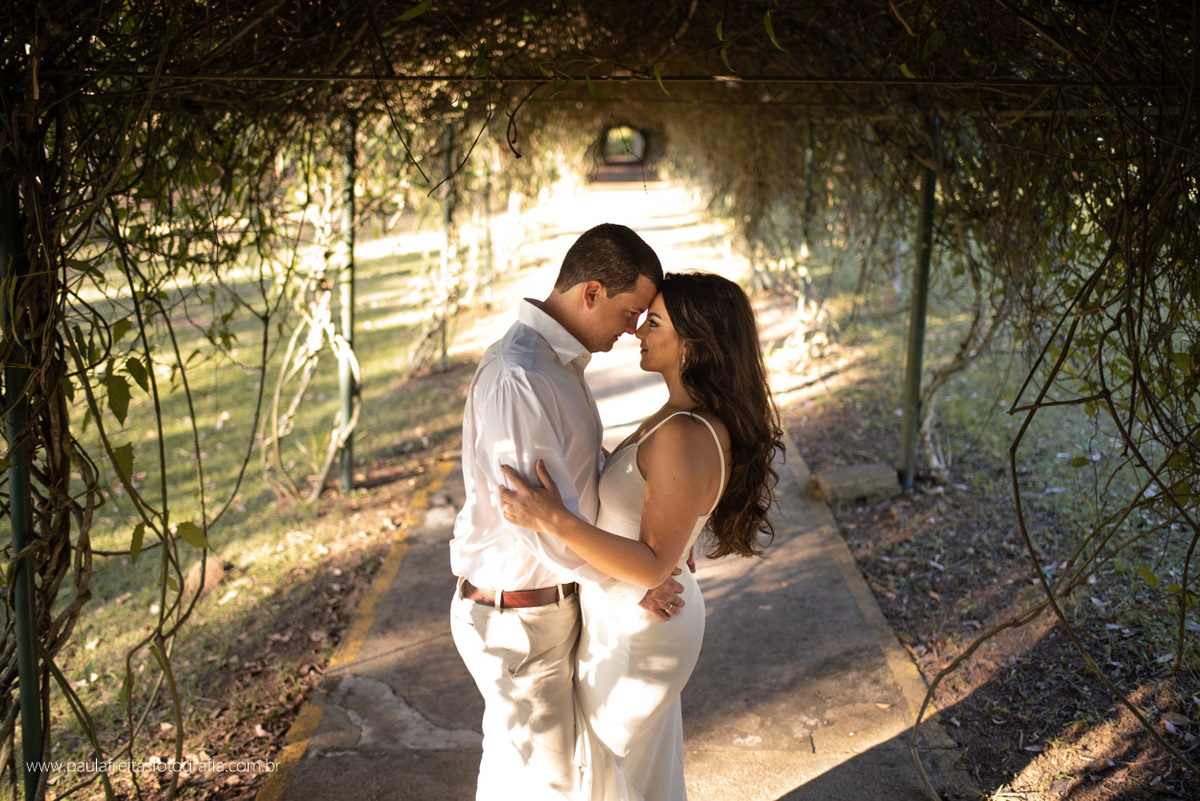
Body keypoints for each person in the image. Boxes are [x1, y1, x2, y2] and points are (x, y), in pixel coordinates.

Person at [499, 271, 784, 800]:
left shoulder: (684, 431)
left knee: (612, 776)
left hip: (643, 624)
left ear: (693, 345)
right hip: (630, 613)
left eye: (653, 323)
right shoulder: (675, 417)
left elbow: (652, 563)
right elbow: (650, 512)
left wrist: (552, 518)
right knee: (629, 776)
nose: (638, 332)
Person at [449, 223, 686, 801]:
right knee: (547, 785)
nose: (634, 328)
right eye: (631, 311)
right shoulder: (521, 376)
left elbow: (576, 482)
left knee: (517, 779)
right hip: (518, 623)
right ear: (591, 293)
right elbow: (534, 523)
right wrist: (634, 584)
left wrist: (654, 534)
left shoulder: (556, 366)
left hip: (545, 611)